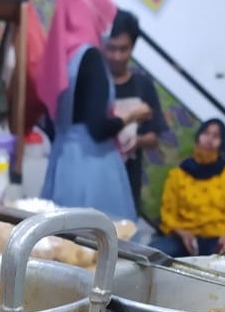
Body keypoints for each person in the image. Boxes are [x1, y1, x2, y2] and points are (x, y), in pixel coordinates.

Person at [37, 0, 153, 221]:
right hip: (93, 167)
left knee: (61, 240)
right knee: (98, 243)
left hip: (62, 161)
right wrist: (132, 115)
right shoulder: (91, 58)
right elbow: (98, 128)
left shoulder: (62, 58)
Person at [149, 119, 225, 257]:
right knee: (152, 254)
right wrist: (183, 234)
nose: (209, 140)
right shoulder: (178, 174)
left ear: (222, 143)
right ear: (198, 137)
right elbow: (168, 216)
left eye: (216, 136)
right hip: (184, 238)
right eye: (206, 133)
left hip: (219, 239)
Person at [104, 9, 171, 201]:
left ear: (133, 47)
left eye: (123, 49)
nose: (117, 56)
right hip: (96, 173)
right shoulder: (97, 83)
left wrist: (137, 142)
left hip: (128, 176)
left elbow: (154, 137)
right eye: (111, 48)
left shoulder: (143, 85)